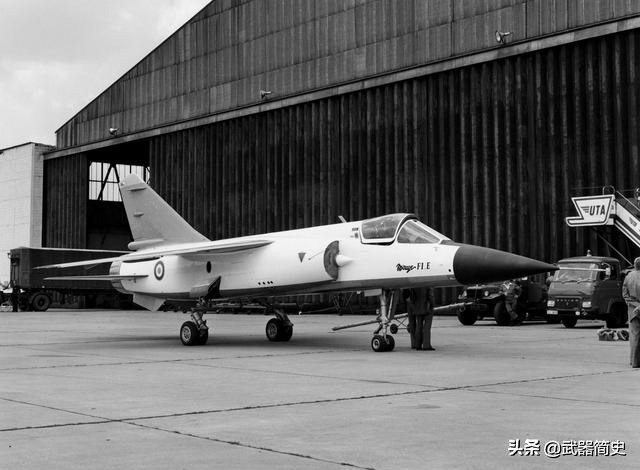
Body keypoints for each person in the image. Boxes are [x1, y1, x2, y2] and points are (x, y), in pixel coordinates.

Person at [622, 257, 640, 368]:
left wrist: (636, 305)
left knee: (634, 336)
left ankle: (634, 362)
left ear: (634, 265)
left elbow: (625, 295)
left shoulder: (628, 276)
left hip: (633, 310)